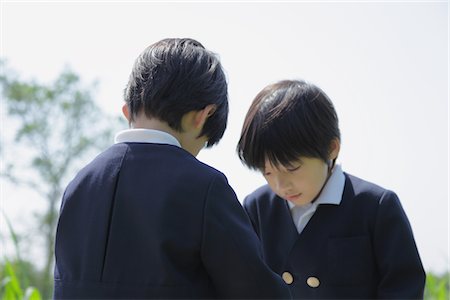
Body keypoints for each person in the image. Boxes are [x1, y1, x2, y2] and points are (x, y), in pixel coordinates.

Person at [53, 38, 291, 299]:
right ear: (203, 116)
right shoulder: (203, 187)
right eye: (202, 144)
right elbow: (257, 291)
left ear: (127, 111)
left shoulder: (80, 183)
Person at [237, 79, 425, 299]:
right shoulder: (257, 208)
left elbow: (403, 289)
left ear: (331, 148)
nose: (280, 185)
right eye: (267, 172)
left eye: (291, 168)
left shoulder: (376, 207)